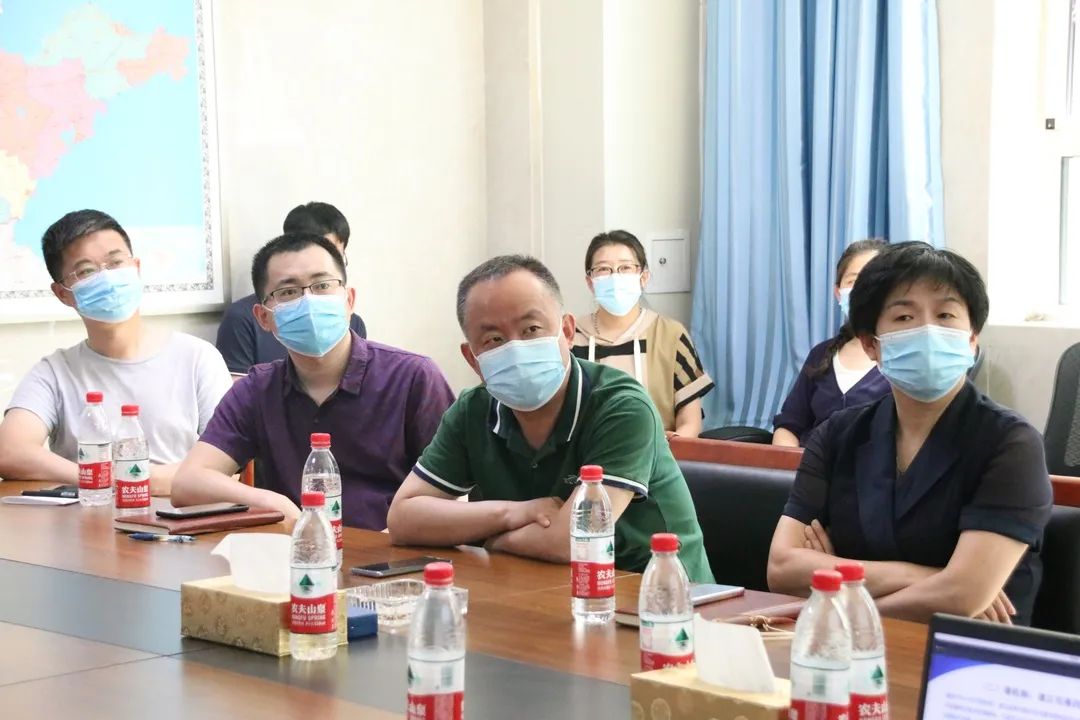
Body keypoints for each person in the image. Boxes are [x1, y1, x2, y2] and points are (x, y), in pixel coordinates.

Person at [766, 242, 1052, 625]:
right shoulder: (837, 435)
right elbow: (782, 568)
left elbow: (960, 596)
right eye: (904, 317)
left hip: (969, 653)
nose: (928, 331)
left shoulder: (1010, 443)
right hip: (856, 651)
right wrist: (926, 576)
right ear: (871, 345)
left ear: (972, 340)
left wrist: (838, 592)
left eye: (945, 314)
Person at [386, 255, 714, 582]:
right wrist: (512, 513)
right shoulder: (473, 410)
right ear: (472, 359)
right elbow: (403, 519)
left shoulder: (621, 406)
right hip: (538, 591)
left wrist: (488, 540)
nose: (516, 348)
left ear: (567, 331)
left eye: (531, 329)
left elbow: (572, 541)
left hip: (659, 596)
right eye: (493, 339)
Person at [172, 233, 454, 527]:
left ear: (349, 300)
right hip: (301, 547)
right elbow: (188, 483)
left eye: (322, 286)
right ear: (264, 317)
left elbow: (454, 492)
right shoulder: (257, 390)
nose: (308, 301)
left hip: (395, 549)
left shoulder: (413, 378)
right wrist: (275, 503)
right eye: (288, 292)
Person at [0, 210, 232, 493]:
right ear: (63, 294)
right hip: (87, 514)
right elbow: (9, 452)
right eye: (86, 271)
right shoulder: (54, 371)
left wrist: (129, 480)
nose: (107, 278)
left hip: (181, 513)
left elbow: (225, 465)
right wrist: (105, 479)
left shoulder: (198, 358)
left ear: (136, 267)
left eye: (116, 262)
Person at [571, 231, 714, 437]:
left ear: (643, 277)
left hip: (658, 453)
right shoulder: (570, 338)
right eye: (603, 269)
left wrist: (665, 450)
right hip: (588, 454)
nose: (615, 277)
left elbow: (690, 422)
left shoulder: (671, 336)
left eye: (625, 267)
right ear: (590, 282)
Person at [215, 202, 367, 375]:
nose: (309, 297)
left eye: (335, 254)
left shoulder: (350, 320)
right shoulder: (243, 318)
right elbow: (237, 387)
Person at [772, 239, 891, 447]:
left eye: (874, 280)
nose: (864, 289)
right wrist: (789, 463)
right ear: (838, 292)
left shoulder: (902, 357)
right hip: (808, 464)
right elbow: (789, 425)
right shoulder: (821, 354)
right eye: (854, 281)